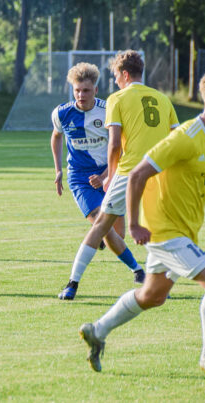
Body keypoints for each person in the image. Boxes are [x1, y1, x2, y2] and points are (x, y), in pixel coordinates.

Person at [79, 66, 205, 381]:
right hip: (162, 232)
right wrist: (134, 224)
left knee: (152, 295)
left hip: (183, 232)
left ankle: (97, 331)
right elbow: (137, 175)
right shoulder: (186, 136)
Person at [63, 50, 179, 296]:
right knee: (160, 229)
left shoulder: (117, 98)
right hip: (160, 171)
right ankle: (162, 284)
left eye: (116, 75)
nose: (115, 81)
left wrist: (108, 178)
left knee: (101, 226)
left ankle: (72, 283)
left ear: (125, 74)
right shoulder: (163, 98)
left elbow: (114, 145)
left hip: (130, 171)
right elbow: (175, 140)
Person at [51, 62, 145, 300]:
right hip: (80, 178)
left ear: (96, 88)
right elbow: (56, 137)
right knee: (100, 226)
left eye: (86, 90)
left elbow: (122, 147)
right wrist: (58, 170)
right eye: (77, 91)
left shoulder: (108, 110)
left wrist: (104, 176)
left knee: (117, 234)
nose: (81, 95)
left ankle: (106, 242)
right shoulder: (62, 113)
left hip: (111, 174)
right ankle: (138, 271)